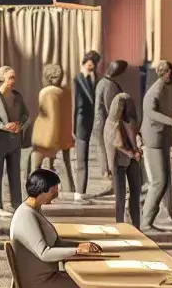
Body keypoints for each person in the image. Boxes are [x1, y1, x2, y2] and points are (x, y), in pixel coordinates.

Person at [139, 59, 172, 230]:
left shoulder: (167, 88)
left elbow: (168, 110)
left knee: (166, 180)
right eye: (170, 72)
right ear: (163, 73)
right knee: (159, 181)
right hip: (153, 140)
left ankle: (170, 213)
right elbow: (149, 112)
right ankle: (146, 221)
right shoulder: (155, 90)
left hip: (163, 139)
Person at [0, 65, 29, 216]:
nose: (13, 81)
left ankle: (17, 205)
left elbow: (25, 114)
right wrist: (4, 126)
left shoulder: (17, 96)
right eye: (11, 77)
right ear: (1, 79)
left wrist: (19, 125)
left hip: (15, 141)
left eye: (14, 77)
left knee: (15, 174)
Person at [31, 63, 77, 194]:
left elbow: (48, 116)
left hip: (45, 134)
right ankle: (69, 190)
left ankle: (36, 190)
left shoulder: (45, 93)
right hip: (64, 133)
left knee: (36, 166)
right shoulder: (67, 92)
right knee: (65, 165)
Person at [106, 91, 144, 226]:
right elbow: (116, 144)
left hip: (133, 160)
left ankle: (136, 225)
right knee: (120, 197)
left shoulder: (131, 121)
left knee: (136, 193)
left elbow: (137, 135)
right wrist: (132, 153)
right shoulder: (111, 122)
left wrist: (138, 146)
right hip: (118, 161)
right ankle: (120, 225)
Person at [92, 59, 129, 193]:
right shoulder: (109, 85)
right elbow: (111, 108)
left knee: (104, 153)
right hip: (104, 124)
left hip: (100, 123)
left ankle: (110, 182)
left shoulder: (103, 82)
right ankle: (111, 183)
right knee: (109, 153)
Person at [72, 51, 101, 192]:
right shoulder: (78, 78)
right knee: (81, 159)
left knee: (85, 158)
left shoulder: (94, 78)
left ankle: (80, 190)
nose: (91, 64)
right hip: (80, 122)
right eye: (89, 61)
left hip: (89, 122)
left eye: (94, 62)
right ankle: (79, 193)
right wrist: (72, 128)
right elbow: (74, 106)